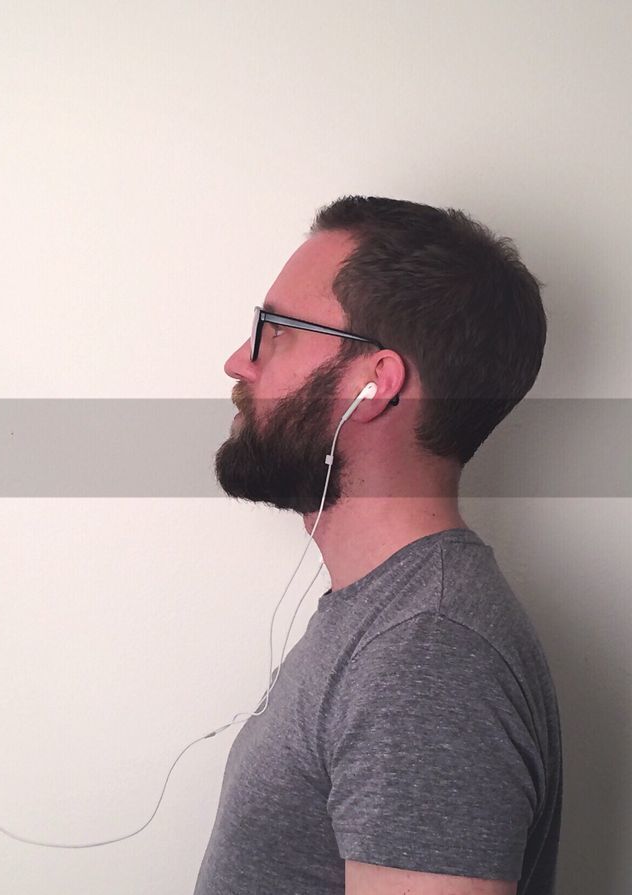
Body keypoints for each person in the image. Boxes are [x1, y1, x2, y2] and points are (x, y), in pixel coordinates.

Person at [195, 196, 561, 894]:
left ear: (375, 385)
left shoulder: (429, 653)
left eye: (274, 330)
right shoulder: (389, 616)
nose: (240, 361)